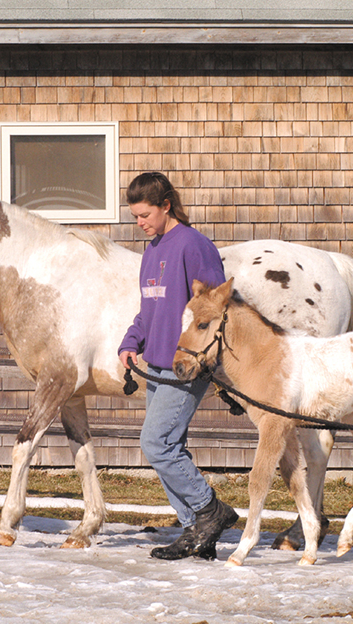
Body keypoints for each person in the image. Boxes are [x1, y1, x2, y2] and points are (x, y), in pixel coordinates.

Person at [118, 172, 238, 561]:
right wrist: (132, 340)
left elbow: (215, 304)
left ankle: (209, 510)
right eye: (135, 216)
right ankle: (196, 532)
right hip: (157, 362)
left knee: (155, 443)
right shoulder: (152, 251)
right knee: (170, 445)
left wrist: (206, 360)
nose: (140, 223)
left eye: (145, 214)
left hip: (186, 364)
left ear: (166, 205)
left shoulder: (193, 245)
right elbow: (149, 309)